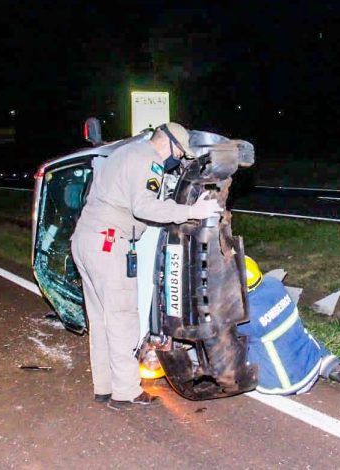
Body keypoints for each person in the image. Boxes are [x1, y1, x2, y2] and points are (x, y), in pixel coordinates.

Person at [71, 123, 223, 410]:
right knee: (122, 317)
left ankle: (104, 387)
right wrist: (192, 211)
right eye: (179, 154)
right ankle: (125, 392)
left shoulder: (123, 153)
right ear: (168, 143)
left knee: (102, 320)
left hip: (86, 239)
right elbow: (143, 207)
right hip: (109, 242)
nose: (177, 160)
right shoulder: (148, 159)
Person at [238, 256, 340, 395]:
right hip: (312, 367)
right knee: (294, 332)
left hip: (281, 384)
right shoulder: (274, 284)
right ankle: (338, 371)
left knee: (234, 345)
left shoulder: (244, 314)